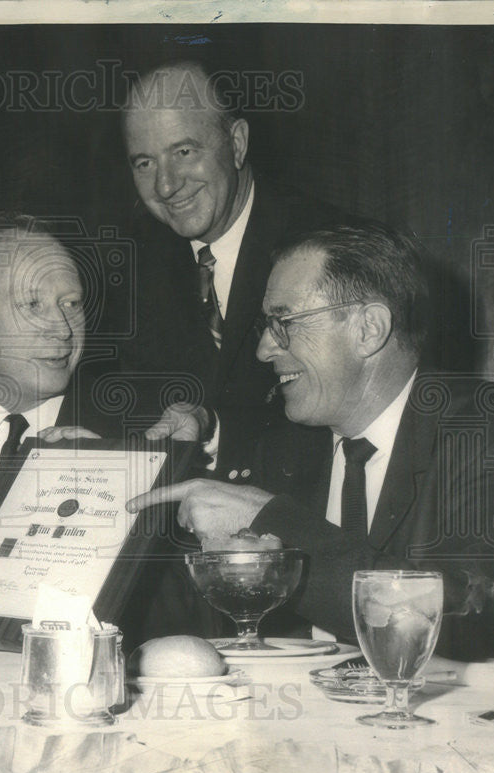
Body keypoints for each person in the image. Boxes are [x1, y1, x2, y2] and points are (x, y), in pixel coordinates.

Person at [128, 221, 494, 662]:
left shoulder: (493, 431)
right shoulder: (284, 446)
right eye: (268, 325)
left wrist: (272, 521)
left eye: (284, 322)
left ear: (368, 329)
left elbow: (458, 615)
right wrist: (106, 477)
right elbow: (202, 618)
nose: (264, 348)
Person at [0, 212, 214, 647]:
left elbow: (190, 617)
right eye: (32, 305)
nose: (62, 329)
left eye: (71, 303)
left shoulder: (140, 436)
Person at [115, 59, 347, 475]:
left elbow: (353, 409)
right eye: (144, 163)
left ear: (236, 143)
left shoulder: (329, 243)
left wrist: (214, 428)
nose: (165, 185)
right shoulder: (128, 268)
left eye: (183, 152)